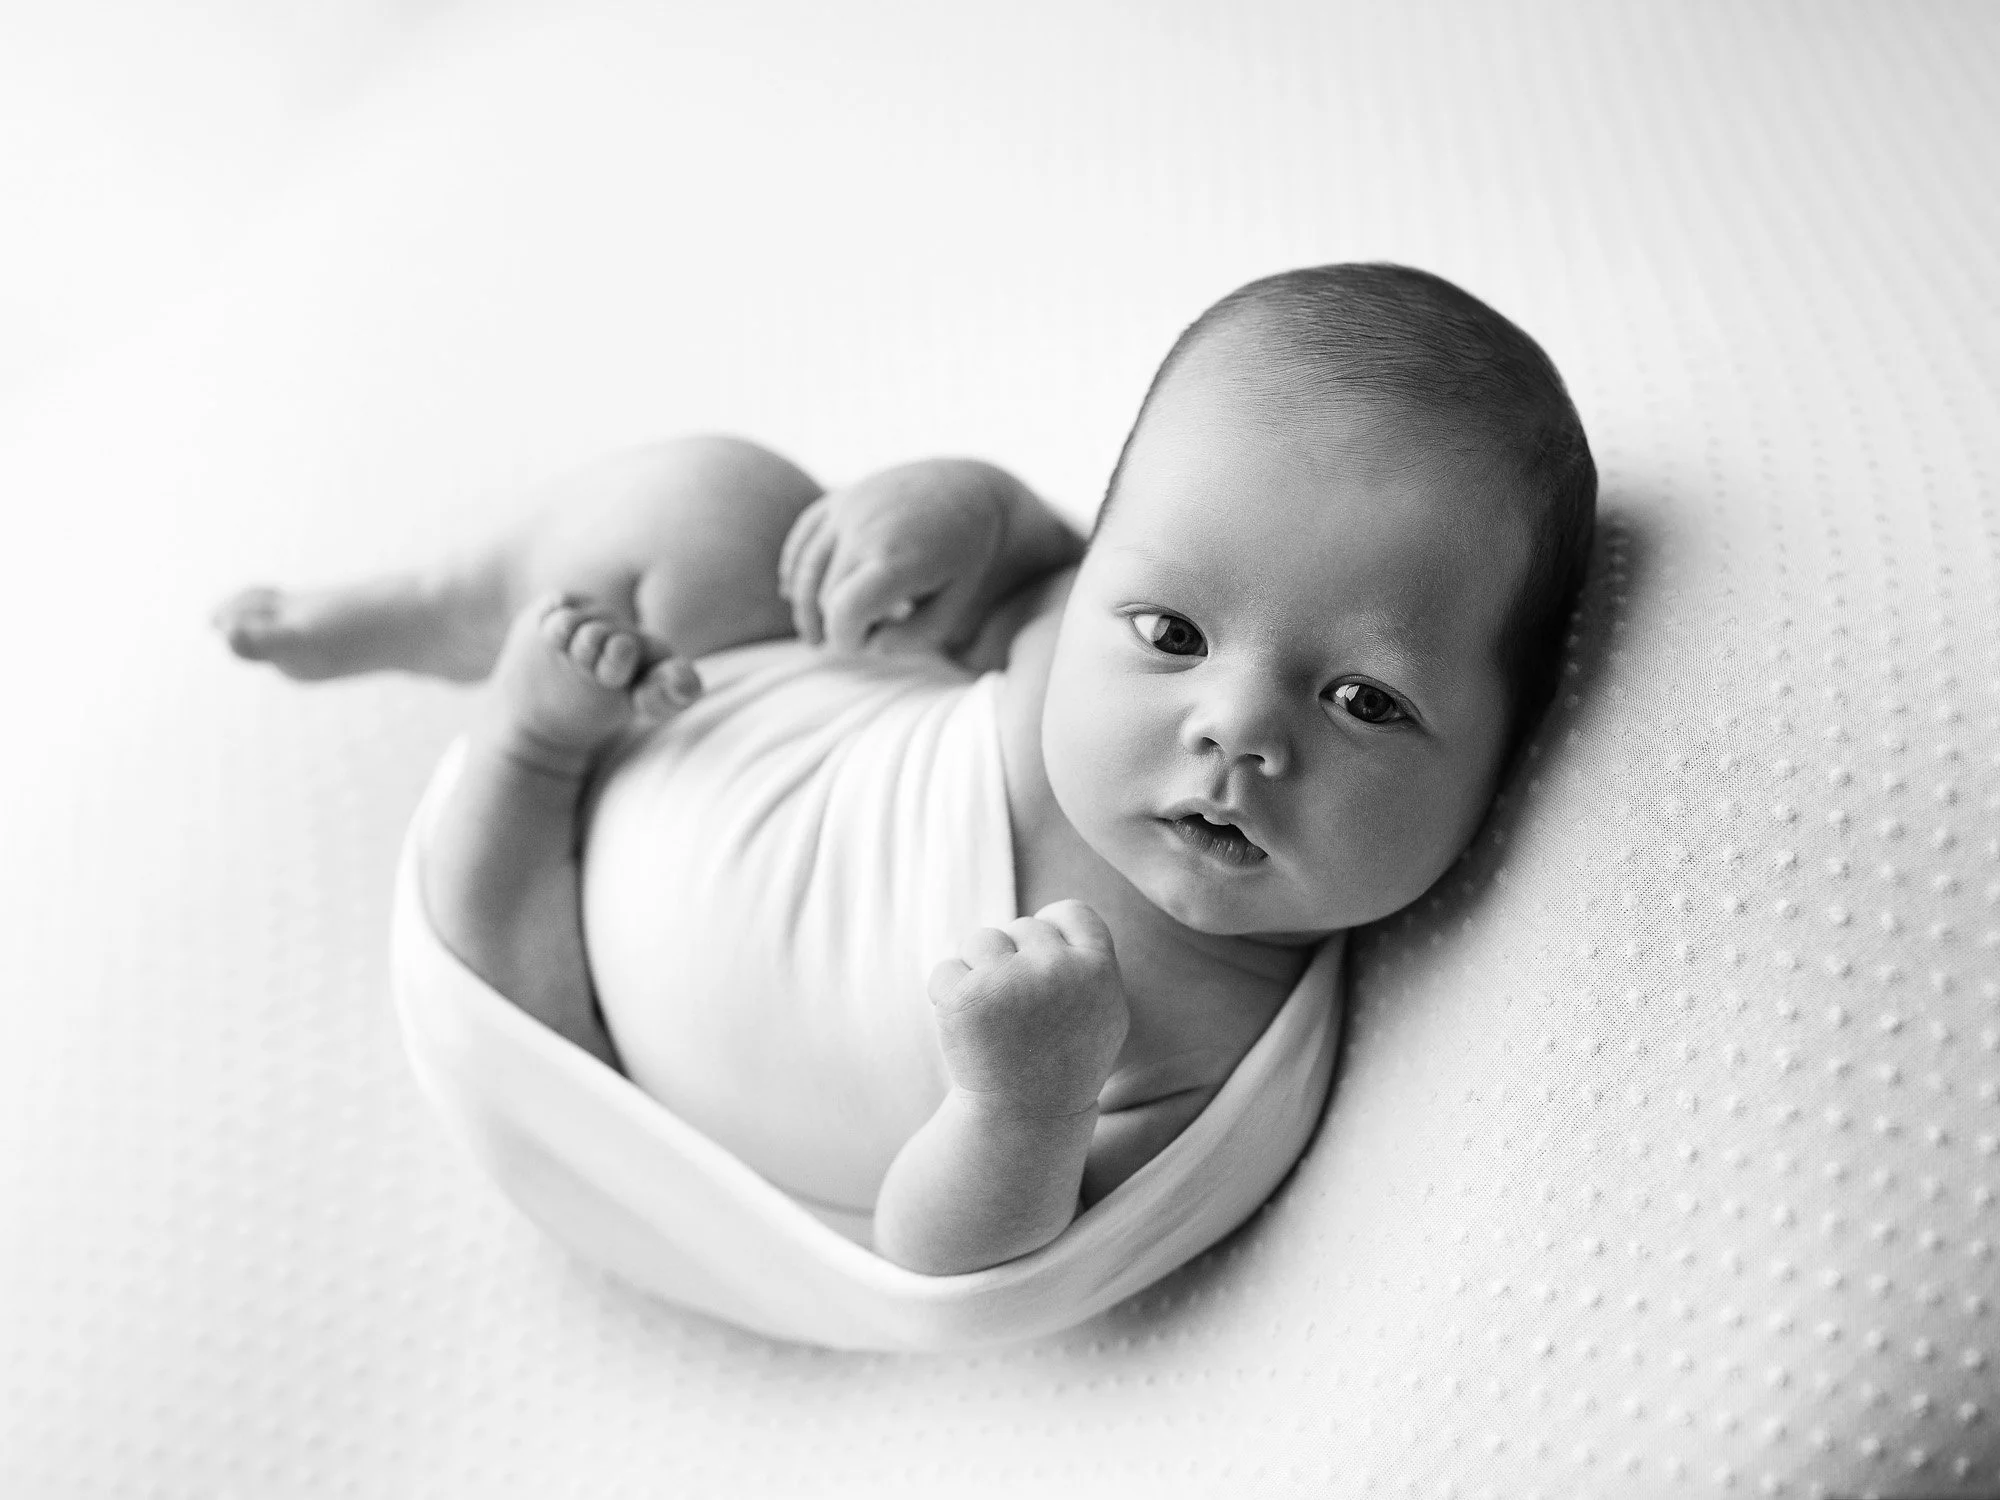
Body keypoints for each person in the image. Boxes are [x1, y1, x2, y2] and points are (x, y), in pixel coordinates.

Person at [213, 263, 1595, 1276]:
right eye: (1172, 629)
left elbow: (955, 1260)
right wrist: (966, 508)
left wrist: (1023, 1102)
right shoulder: (1077, 623)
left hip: (594, 1020)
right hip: (729, 715)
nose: (1235, 725)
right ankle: (449, 603)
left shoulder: (1216, 1036)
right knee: (718, 504)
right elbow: (1026, 573)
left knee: (498, 941)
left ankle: (523, 740)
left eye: (1362, 697)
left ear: (1510, 751)